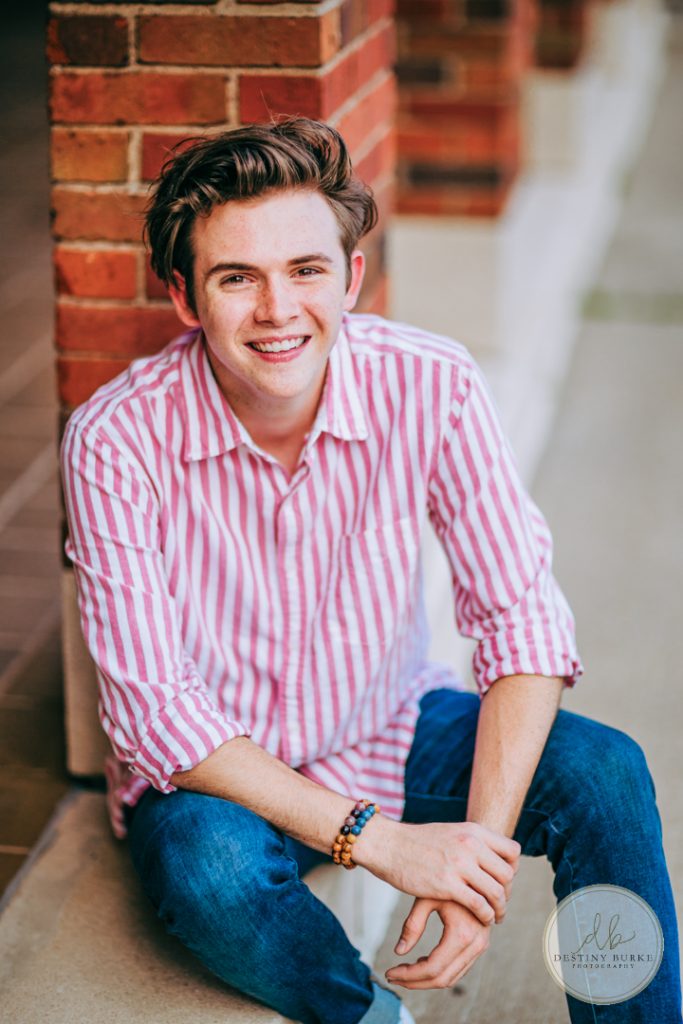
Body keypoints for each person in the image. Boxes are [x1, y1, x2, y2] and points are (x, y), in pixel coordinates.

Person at [60, 118, 681, 1024]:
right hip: (218, 778)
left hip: (383, 725)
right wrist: (380, 844)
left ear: (349, 276)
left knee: (604, 773)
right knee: (212, 872)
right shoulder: (115, 440)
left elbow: (521, 624)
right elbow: (155, 713)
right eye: (237, 278)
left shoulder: (431, 384)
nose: (278, 310)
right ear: (186, 298)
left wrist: (471, 857)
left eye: (306, 270)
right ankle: (366, 1015)